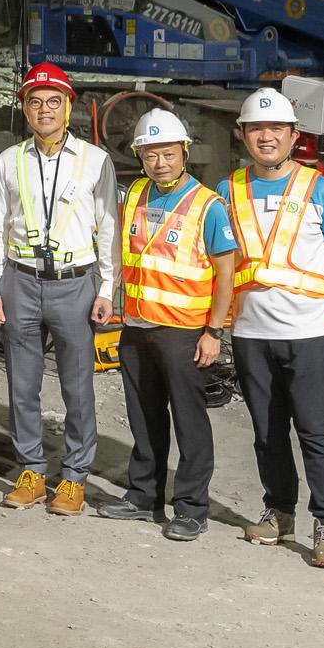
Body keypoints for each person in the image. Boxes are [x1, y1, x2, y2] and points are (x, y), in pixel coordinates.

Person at [226, 86, 324, 570]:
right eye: (257, 128)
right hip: (251, 333)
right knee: (266, 431)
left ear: (293, 135)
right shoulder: (229, 190)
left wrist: (321, 304)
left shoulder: (320, 190)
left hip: (308, 336)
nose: (266, 137)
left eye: (276, 129)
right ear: (243, 135)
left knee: (316, 431)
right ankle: (279, 512)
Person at [0, 64, 116, 519]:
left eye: (53, 101)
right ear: (24, 107)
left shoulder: (95, 161)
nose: (44, 109)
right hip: (20, 282)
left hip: (74, 284)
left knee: (78, 385)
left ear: (68, 106)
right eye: (35, 102)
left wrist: (108, 287)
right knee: (22, 382)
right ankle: (32, 470)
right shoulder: (10, 159)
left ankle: (75, 477)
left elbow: (108, 229)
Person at [99, 109, 238, 542]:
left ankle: (193, 508)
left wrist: (214, 332)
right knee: (144, 418)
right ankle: (143, 496)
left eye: (168, 153)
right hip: (138, 327)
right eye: (150, 154)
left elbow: (226, 274)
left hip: (185, 333)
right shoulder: (137, 192)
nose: (160, 162)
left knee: (190, 423)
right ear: (140, 156)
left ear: (184, 152)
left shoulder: (208, 206)